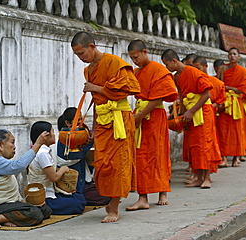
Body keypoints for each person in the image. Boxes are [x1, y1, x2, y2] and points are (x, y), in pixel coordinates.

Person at [71, 31, 140, 223]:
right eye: (77, 55)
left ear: (92, 47)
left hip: (119, 119)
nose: (81, 58)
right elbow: (97, 102)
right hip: (102, 120)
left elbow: (130, 88)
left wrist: (95, 88)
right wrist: (93, 127)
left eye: (82, 53)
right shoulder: (88, 70)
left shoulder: (114, 63)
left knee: (117, 163)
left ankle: (114, 208)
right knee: (101, 164)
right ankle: (110, 201)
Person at [125, 40, 177, 211]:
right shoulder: (137, 72)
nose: (135, 61)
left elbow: (160, 96)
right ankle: (143, 197)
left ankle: (163, 191)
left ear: (145, 52)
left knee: (159, 152)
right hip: (140, 115)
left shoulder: (158, 70)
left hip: (154, 115)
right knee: (140, 155)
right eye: (132, 58)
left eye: (136, 57)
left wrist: (141, 114)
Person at [162, 49, 220, 188]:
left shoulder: (193, 72)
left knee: (204, 145)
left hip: (202, 112)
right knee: (194, 146)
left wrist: (192, 111)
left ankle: (206, 178)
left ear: (174, 61)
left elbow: (207, 95)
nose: (167, 68)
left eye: (167, 64)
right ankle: (198, 177)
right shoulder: (177, 77)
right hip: (190, 112)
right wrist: (181, 115)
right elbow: (182, 96)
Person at [0, 129, 52, 228]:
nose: (14, 147)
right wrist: (38, 143)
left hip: (6, 205)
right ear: (0, 145)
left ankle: (6, 219)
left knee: (45, 209)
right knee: (35, 214)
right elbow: (19, 165)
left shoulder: (3, 162)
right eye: (12, 142)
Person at [28, 121, 88, 215]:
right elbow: (54, 178)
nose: (54, 135)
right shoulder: (42, 153)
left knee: (77, 196)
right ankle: (44, 209)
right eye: (52, 132)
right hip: (44, 199)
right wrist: (63, 168)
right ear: (46, 136)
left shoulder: (44, 150)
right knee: (79, 203)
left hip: (51, 193)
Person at [57, 107, 111, 206]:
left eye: (81, 119)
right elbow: (77, 155)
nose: (81, 123)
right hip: (75, 185)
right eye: (77, 121)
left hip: (85, 182)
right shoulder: (65, 138)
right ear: (68, 123)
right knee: (102, 197)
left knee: (108, 190)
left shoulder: (82, 133)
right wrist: (90, 142)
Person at [217, 47, 246, 167]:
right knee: (223, 130)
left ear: (239, 57)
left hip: (237, 103)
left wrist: (228, 88)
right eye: (230, 54)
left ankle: (236, 157)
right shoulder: (222, 68)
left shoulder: (243, 72)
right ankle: (224, 158)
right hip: (225, 102)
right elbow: (219, 84)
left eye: (234, 54)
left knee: (238, 131)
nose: (232, 56)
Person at [192, 56, 224, 174]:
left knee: (207, 144)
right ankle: (197, 174)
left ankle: (207, 176)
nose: (197, 71)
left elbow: (220, 100)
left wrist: (211, 106)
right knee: (195, 145)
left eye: (198, 68)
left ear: (206, 66)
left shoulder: (215, 82)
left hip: (207, 113)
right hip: (195, 114)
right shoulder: (193, 80)